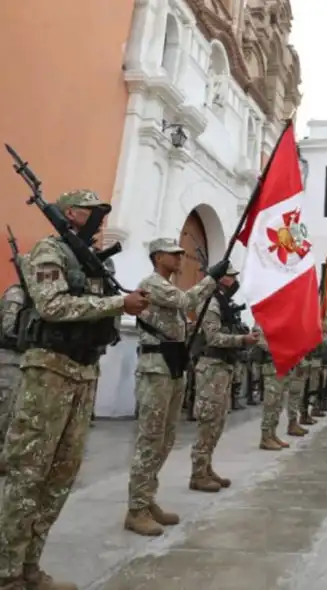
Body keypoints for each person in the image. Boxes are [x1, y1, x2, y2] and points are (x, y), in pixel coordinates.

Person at [0, 189, 151, 590]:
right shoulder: (50, 251)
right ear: (70, 213)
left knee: (61, 474)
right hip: (48, 371)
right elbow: (52, 306)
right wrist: (117, 305)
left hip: (84, 372)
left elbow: (101, 314)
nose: (100, 222)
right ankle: (7, 573)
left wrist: (114, 307)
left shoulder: (92, 263)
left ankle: (30, 566)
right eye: (92, 213)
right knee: (27, 473)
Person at [125, 238, 222, 537]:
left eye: (181, 253)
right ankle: (136, 509)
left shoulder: (168, 287)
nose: (180, 257)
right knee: (151, 438)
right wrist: (211, 279)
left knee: (165, 438)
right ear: (157, 257)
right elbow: (186, 302)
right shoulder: (153, 284)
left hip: (171, 365)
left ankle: (146, 498)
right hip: (155, 368)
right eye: (173, 254)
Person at [189, 264, 257, 491]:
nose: (234, 281)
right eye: (230, 277)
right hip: (211, 367)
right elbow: (213, 338)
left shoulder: (224, 302)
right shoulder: (210, 302)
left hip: (224, 367)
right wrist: (241, 340)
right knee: (208, 421)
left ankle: (207, 467)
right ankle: (198, 473)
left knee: (218, 422)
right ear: (220, 279)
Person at [0, 256, 27, 476]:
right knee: (4, 410)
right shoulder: (17, 294)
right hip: (8, 360)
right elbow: (8, 329)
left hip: (21, 360)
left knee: (16, 412)